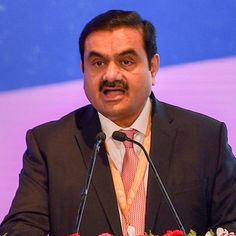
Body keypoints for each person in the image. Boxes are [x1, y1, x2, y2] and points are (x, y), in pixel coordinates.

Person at [0, 9, 236, 236]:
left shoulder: (205, 138)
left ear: (152, 67)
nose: (111, 75)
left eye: (126, 61)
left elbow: (232, 223)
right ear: (83, 69)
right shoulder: (49, 146)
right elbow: (21, 227)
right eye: (98, 63)